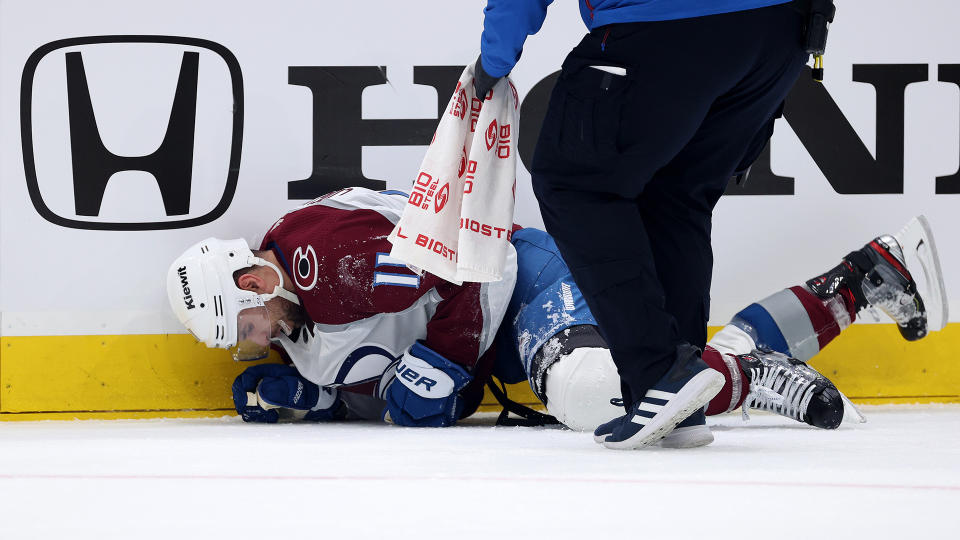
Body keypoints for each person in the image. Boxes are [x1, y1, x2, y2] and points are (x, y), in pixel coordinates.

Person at [166, 188, 946, 447]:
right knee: (646, 389)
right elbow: (434, 391)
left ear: (250, 278)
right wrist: (330, 402)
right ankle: (863, 279)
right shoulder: (301, 306)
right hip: (500, 327)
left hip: (520, 279)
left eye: (242, 326)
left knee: (593, 395)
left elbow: (472, 254)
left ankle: (742, 377)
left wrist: (440, 367)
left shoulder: (325, 265)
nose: (252, 344)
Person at [474, 0, 835, 449]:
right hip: (779, 35)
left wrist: (493, 61)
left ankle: (660, 372)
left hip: (664, 23)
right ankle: (677, 406)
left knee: (575, 182)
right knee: (675, 197)